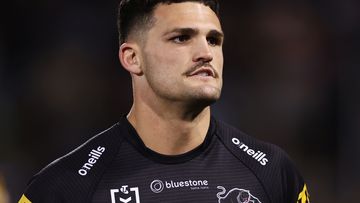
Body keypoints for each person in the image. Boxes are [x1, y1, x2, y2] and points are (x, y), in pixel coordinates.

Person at [19, 0, 310, 202]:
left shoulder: (272, 172)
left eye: (213, 39)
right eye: (182, 38)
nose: (205, 53)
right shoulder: (65, 188)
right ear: (132, 58)